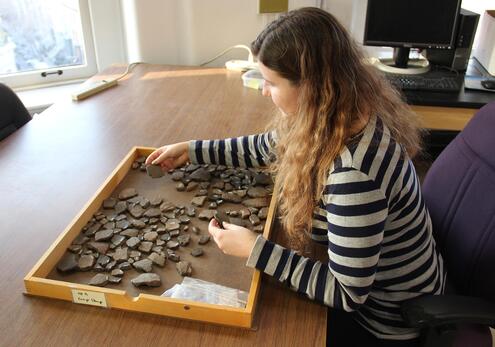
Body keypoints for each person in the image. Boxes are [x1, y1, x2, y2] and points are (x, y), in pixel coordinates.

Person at [146, 7, 444, 346]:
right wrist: (193, 149)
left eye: (271, 83)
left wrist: (256, 250)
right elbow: (270, 147)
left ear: (312, 86)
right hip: (375, 276)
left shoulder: (354, 175)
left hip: (384, 318)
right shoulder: (339, 110)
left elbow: (346, 294)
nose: (263, 91)